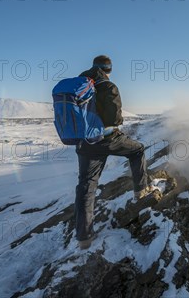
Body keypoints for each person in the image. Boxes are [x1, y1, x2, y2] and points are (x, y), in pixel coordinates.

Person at [74, 55, 151, 249]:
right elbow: (114, 118)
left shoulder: (78, 86)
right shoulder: (108, 86)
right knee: (137, 151)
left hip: (85, 143)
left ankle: (84, 237)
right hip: (108, 138)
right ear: (108, 69)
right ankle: (140, 191)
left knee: (86, 185)